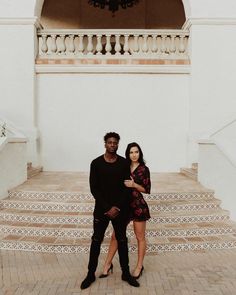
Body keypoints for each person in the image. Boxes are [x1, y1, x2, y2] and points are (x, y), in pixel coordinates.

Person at [80, 133, 140, 289]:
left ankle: (126, 273)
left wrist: (117, 207)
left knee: (122, 241)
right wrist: (107, 207)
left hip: (120, 210)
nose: (112, 145)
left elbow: (126, 188)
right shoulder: (96, 163)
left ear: (118, 144)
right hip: (102, 210)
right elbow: (94, 188)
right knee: (96, 241)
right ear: (105, 144)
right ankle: (90, 274)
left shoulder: (124, 163)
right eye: (110, 142)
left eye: (115, 143)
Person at [99, 142, 151, 280]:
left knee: (140, 237)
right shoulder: (123, 166)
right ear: (128, 154)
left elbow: (147, 189)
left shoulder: (144, 169)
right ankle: (107, 264)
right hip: (124, 206)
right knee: (115, 236)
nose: (134, 155)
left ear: (140, 153)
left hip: (138, 206)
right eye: (131, 152)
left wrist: (134, 184)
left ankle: (139, 266)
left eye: (136, 152)